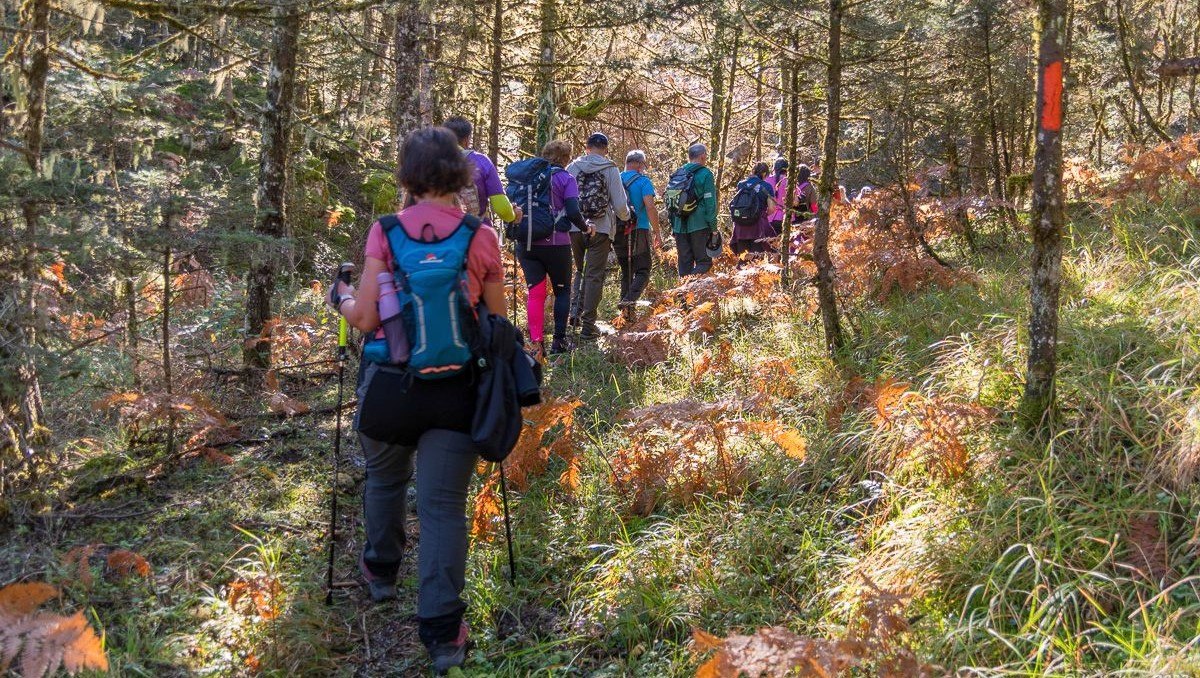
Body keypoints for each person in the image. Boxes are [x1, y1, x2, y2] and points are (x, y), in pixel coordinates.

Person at [329, 126, 505, 675]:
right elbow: (497, 325)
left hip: (388, 388)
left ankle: (380, 573)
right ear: (460, 174)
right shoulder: (481, 237)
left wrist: (336, 295)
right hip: (456, 394)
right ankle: (443, 632)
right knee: (443, 508)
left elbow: (362, 318)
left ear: (406, 176)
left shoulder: (384, 233)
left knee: (383, 479)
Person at [517, 140, 588, 357]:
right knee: (562, 291)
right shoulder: (566, 179)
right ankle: (559, 341)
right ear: (566, 158)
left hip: (527, 242)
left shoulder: (529, 179)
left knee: (535, 293)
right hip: (556, 243)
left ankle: (537, 344)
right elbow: (573, 211)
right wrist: (586, 227)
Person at [566, 132, 630, 341]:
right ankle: (588, 326)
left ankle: (574, 312)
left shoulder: (573, 167)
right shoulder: (610, 168)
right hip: (601, 229)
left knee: (580, 270)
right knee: (594, 275)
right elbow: (620, 205)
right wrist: (626, 216)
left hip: (575, 227)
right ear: (605, 149)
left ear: (587, 147)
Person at [443, 116, 521, 226]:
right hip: (475, 233)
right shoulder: (481, 162)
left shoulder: (431, 162)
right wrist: (513, 215)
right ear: (467, 139)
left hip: (439, 234)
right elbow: (502, 210)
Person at [615, 150, 659, 319]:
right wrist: (657, 233)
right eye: (644, 164)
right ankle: (628, 301)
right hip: (638, 229)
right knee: (643, 270)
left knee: (627, 270)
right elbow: (650, 207)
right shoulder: (643, 181)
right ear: (639, 164)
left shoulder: (615, 179)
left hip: (617, 230)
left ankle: (626, 315)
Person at [669, 143, 718, 277]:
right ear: (702, 156)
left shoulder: (678, 173)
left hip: (679, 226)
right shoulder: (706, 174)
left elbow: (671, 203)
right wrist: (714, 228)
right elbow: (710, 203)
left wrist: (673, 226)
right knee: (704, 263)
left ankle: (682, 297)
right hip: (699, 225)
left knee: (684, 266)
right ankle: (691, 290)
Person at [729, 162, 777, 258]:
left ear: (753, 171)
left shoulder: (741, 185)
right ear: (764, 174)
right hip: (758, 227)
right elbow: (772, 208)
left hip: (740, 227)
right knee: (757, 259)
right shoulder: (767, 186)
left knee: (743, 257)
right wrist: (764, 215)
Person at [763, 158, 788, 240]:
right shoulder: (788, 181)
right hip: (785, 217)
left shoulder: (767, 180)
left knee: (770, 245)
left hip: (769, 217)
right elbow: (796, 201)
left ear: (774, 168)